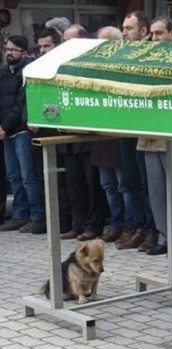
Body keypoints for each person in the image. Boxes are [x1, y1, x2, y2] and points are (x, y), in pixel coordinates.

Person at [136, 16, 172, 256]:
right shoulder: (146, 58)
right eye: (152, 33)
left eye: (159, 33)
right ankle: (164, 236)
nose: (154, 38)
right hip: (149, 135)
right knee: (157, 192)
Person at [90, 26, 147, 245]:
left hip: (123, 135)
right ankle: (116, 223)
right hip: (103, 134)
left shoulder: (125, 65)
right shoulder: (95, 66)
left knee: (126, 185)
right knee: (108, 184)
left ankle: (133, 226)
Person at [57, 24, 109, 241]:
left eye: (70, 40)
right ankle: (77, 223)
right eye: (63, 41)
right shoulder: (61, 64)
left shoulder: (92, 64)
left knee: (92, 184)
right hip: (68, 134)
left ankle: (94, 225)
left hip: (89, 135)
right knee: (73, 182)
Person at [116, 10, 158, 251]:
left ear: (143, 31)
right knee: (129, 183)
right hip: (126, 127)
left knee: (145, 184)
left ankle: (151, 229)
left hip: (145, 130)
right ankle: (138, 227)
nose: (124, 33)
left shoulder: (150, 55)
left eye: (129, 28)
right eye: (123, 28)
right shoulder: (122, 54)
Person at [0, 35, 45, 234]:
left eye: (14, 50)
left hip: (19, 131)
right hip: (5, 132)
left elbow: (21, 104)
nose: (9, 53)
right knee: (13, 176)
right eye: (7, 49)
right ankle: (20, 214)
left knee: (28, 176)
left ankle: (37, 215)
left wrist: (5, 127)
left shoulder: (28, 73)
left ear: (24, 52)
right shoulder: (3, 73)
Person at [32, 28, 72, 234]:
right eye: (40, 46)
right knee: (43, 178)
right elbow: (27, 98)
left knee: (62, 181)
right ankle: (49, 220)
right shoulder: (37, 68)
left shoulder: (64, 69)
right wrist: (29, 118)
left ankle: (64, 223)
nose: (43, 50)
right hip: (39, 132)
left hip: (59, 131)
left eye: (47, 46)